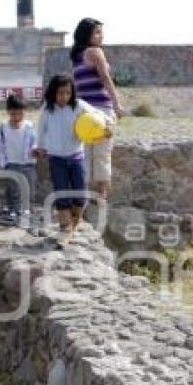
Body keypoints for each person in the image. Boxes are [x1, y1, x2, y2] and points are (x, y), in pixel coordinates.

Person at [35, 74, 112, 246]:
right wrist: (39, 147)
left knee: (81, 195)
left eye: (67, 93)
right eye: (60, 93)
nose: (64, 97)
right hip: (56, 159)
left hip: (76, 157)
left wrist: (107, 127)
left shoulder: (79, 105)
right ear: (53, 93)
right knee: (62, 193)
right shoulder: (47, 109)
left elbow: (97, 114)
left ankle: (75, 221)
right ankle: (65, 228)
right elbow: (41, 129)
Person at [70, 18, 124, 204]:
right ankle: (101, 195)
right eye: (97, 32)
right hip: (101, 109)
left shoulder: (76, 56)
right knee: (102, 153)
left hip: (83, 111)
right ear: (87, 35)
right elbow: (106, 78)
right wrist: (117, 105)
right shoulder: (95, 52)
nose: (101, 36)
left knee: (84, 153)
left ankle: (82, 194)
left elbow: (77, 85)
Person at [0, 94, 38, 227]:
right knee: (13, 189)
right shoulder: (3, 127)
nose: (17, 117)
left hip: (27, 164)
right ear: (8, 112)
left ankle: (26, 213)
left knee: (29, 189)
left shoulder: (29, 127)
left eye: (20, 114)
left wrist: (35, 150)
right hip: (11, 163)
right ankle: (13, 212)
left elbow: (35, 141)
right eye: (14, 114)